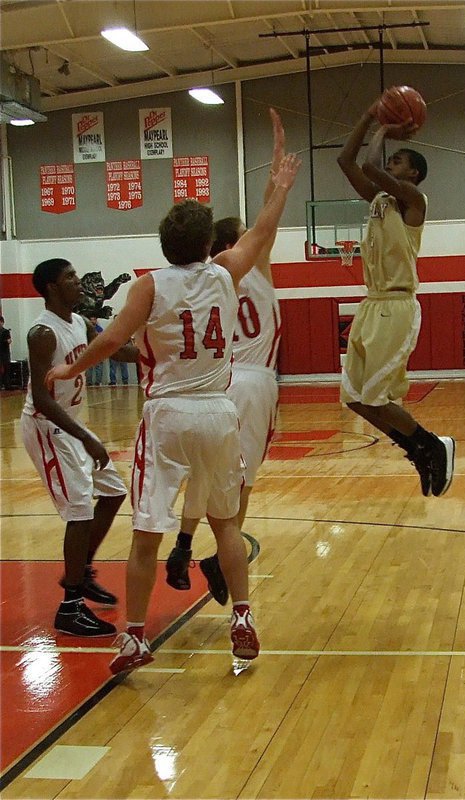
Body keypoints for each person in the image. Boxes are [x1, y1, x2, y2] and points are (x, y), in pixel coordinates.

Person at [47, 149, 301, 674]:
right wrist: (278, 186)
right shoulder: (227, 273)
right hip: (217, 411)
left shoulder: (149, 285)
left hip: (166, 416)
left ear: (164, 245)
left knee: (146, 535)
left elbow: (113, 339)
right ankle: (244, 618)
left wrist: (71, 371)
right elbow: (263, 230)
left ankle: (136, 638)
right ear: (209, 245)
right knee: (227, 525)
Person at [166, 109, 286, 605]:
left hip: (218, 382)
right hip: (254, 382)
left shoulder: (206, 276)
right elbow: (267, 214)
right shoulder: (249, 264)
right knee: (243, 480)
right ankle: (221, 551)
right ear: (238, 241)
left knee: (207, 470)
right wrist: (277, 169)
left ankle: (185, 541)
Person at [335, 98, 455, 498]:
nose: (391, 163)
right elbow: (345, 160)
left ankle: (433, 445)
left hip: (397, 305)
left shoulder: (413, 201)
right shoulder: (378, 200)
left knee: (375, 396)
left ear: (414, 174)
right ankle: (419, 450)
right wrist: (369, 113)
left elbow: (368, 166)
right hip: (371, 304)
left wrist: (384, 127)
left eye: (399, 160)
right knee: (354, 399)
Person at [21, 259, 137, 636]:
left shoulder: (82, 323)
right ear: (52, 287)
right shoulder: (43, 333)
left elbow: (116, 350)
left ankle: (81, 571)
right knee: (79, 511)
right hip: (47, 427)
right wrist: (86, 437)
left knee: (114, 492)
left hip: (72, 424)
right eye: (70, 276)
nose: (78, 281)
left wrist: (159, 346)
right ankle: (69, 607)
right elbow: (41, 397)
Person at [86, 316, 105, 386]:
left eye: (94, 319)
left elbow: (102, 339)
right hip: (89, 350)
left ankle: (98, 382)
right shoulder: (86, 329)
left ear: (96, 320)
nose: (92, 321)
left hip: (98, 349)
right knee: (88, 367)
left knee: (99, 367)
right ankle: (89, 382)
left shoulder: (100, 329)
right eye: (91, 320)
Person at [0, 316, 12, 390]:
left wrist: (7, 341)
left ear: (2, 322)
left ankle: (7, 384)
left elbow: (9, 341)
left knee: (6, 369)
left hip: (4, 353)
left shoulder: (6, 331)